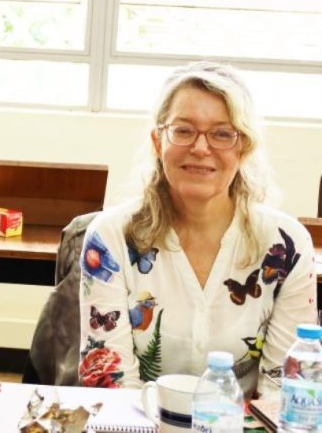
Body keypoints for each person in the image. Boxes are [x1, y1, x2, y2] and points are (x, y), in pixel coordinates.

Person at [78, 62, 316, 395]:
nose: (201, 148)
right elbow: (109, 382)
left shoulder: (286, 245)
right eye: (184, 130)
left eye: (222, 134)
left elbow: (284, 391)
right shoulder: (111, 237)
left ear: (244, 146)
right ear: (158, 141)